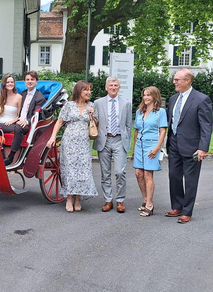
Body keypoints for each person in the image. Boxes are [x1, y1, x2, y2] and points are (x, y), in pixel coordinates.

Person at [165, 69, 213, 224]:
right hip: (173, 145)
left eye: (177, 79)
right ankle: (177, 206)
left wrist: (203, 148)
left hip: (192, 147)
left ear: (187, 81)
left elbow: (206, 126)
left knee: (191, 179)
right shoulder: (173, 99)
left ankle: (187, 211)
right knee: (174, 176)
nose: (174, 82)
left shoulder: (201, 99)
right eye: (174, 79)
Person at [46, 80, 100, 212]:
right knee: (69, 170)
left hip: (83, 143)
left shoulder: (91, 106)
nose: (89, 92)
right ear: (79, 91)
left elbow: (95, 125)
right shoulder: (69, 105)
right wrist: (53, 137)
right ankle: (69, 198)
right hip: (69, 141)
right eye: (85, 90)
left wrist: (92, 115)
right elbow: (59, 122)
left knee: (82, 170)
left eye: (89, 90)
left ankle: (78, 198)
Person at [92, 76, 132, 213]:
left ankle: (120, 200)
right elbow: (94, 122)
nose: (113, 88)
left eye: (116, 85)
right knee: (105, 173)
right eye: (111, 85)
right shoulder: (97, 103)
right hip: (104, 140)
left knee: (120, 172)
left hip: (119, 140)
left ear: (119, 87)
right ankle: (108, 200)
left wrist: (127, 140)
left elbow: (128, 125)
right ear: (106, 87)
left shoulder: (126, 103)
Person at [132, 86, 168, 217]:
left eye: (149, 95)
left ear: (154, 96)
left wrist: (157, 148)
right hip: (139, 146)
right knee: (138, 174)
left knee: (148, 174)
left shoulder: (160, 112)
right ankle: (145, 199)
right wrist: (134, 148)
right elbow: (136, 130)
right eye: (144, 95)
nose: (146, 97)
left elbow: (163, 131)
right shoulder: (139, 111)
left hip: (152, 145)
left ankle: (150, 204)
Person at [4, 71, 46, 166]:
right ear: (25, 81)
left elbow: (36, 114)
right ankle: (1, 152)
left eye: (32, 79)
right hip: (17, 121)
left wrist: (26, 121)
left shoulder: (40, 98)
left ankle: (11, 156)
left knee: (19, 128)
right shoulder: (22, 94)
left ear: (36, 82)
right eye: (27, 79)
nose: (29, 81)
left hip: (27, 124)